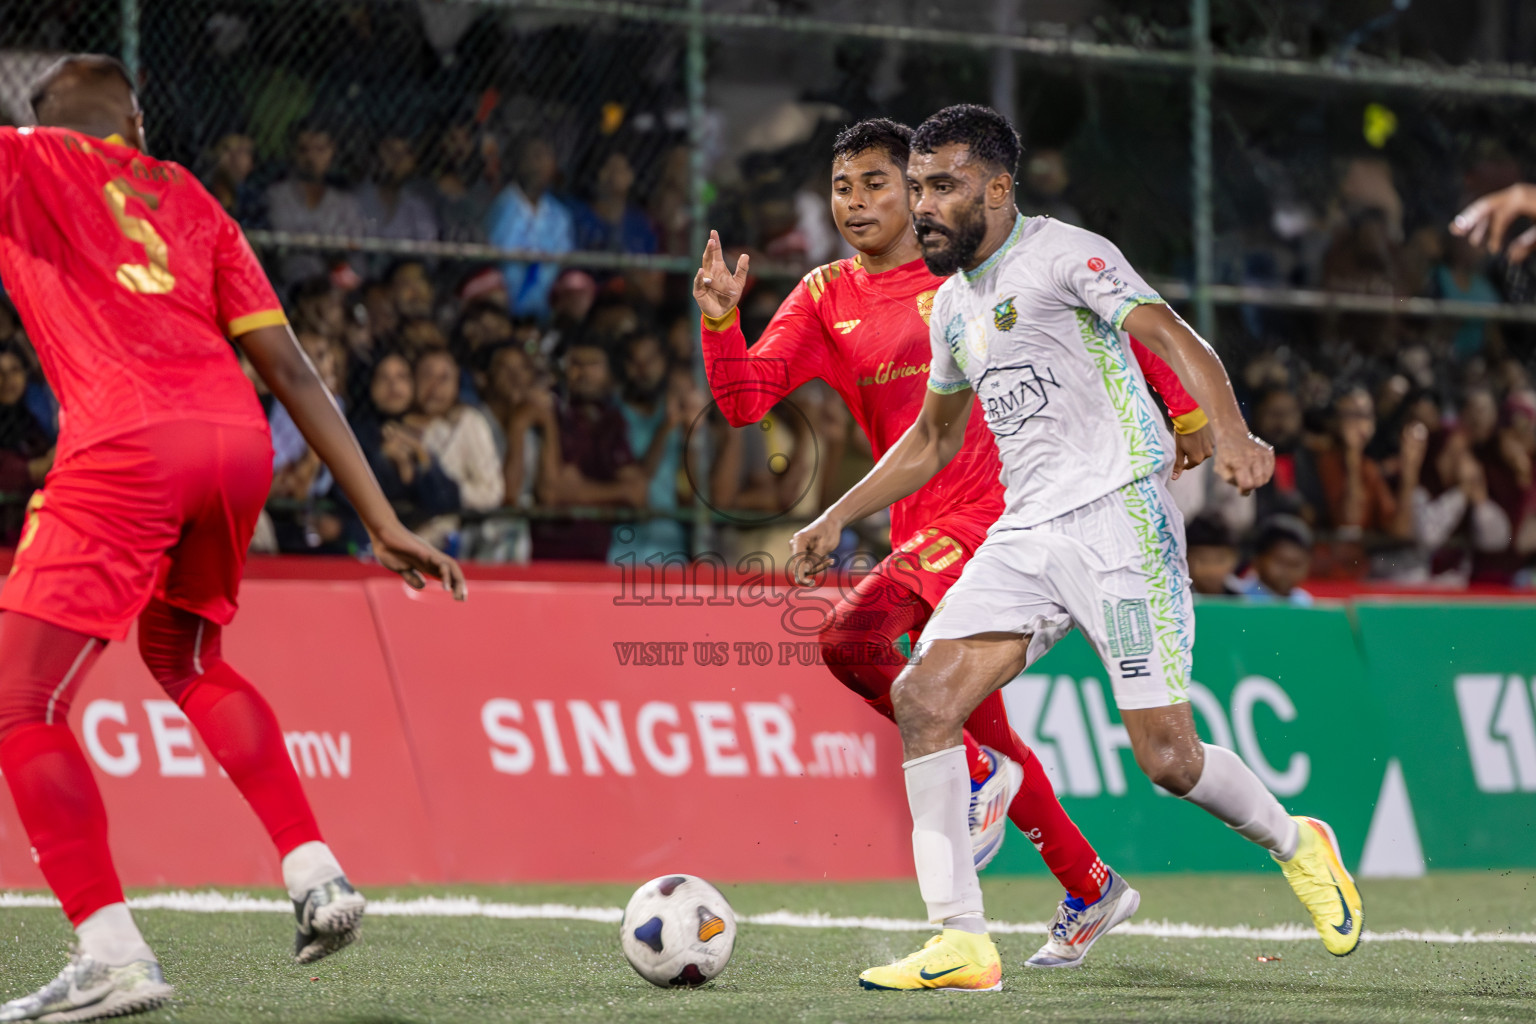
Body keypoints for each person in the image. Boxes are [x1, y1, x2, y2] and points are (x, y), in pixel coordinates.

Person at [789, 105, 1360, 992]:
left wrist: (1232, 429)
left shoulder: (1067, 255)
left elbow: (1173, 335)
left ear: (997, 187)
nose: (923, 205)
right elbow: (934, 442)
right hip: (1026, 532)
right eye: (919, 187)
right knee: (923, 699)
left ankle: (1297, 839)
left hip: (1121, 522)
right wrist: (837, 514)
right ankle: (962, 942)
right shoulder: (950, 306)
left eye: (941, 186)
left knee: (1169, 761)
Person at [0, 56, 465, 1021]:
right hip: (235, 441)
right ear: (136, 115)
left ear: (38, 115)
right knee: (184, 649)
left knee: (18, 698)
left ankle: (110, 950)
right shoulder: (193, 198)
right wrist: (380, 518)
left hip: (127, 439)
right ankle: (317, 872)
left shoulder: (24, 159)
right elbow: (291, 368)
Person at [694, 117, 1214, 970]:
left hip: (1005, 514)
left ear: (920, 189)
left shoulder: (971, 273)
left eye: (876, 184)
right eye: (841, 187)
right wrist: (721, 323)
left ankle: (979, 791)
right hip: (919, 526)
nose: (856, 203)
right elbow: (747, 401)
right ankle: (1089, 887)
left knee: (852, 639)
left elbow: (1113, 321)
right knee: (974, 725)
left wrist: (1186, 409)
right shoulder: (827, 295)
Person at [264, 119, 366, 288]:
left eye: (320, 150)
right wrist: (330, 247)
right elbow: (284, 240)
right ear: (293, 154)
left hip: (336, 285)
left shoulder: (346, 203)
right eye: (303, 150)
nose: (311, 158)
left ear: (332, 152)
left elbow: (352, 248)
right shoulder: (277, 195)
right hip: (292, 284)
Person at [486, 133, 574, 320]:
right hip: (508, 298)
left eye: (546, 157)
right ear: (518, 163)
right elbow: (504, 254)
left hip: (548, 300)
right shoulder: (504, 205)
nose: (540, 164)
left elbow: (564, 257)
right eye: (534, 156)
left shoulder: (559, 215)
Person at [1235, 515, 1316, 605]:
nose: (1287, 571)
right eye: (1280, 562)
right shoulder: (1238, 598)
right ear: (1257, 560)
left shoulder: (1304, 602)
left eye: (1296, 564)